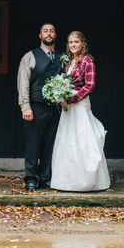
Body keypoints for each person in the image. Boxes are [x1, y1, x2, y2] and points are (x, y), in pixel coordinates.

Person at [50, 31, 110, 192]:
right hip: (67, 108)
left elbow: (89, 85)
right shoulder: (69, 62)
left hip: (80, 105)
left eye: (76, 42)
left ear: (83, 43)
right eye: (70, 42)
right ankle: (67, 181)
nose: (73, 45)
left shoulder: (87, 61)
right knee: (68, 140)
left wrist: (69, 99)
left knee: (82, 140)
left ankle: (86, 181)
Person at [17, 23, 64, 191]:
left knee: (49, 145)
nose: (49, 34)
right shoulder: (30, 56)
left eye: (52, 31)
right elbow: (23, 83)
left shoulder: (61, 57)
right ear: (40, 35)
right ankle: (30, 178)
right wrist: (25, 106)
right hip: (35, 107)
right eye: (45, 31)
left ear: (56, 35)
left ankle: (45, 178)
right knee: (33, 144)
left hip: (54, 109)